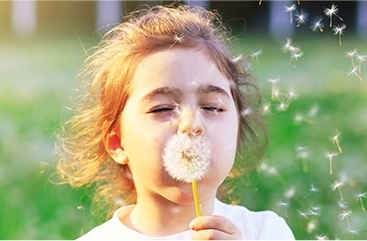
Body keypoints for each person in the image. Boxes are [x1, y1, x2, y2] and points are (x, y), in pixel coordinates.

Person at [55, 4, 295, 240]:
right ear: (118, 143)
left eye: (213, 107)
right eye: (162, 108)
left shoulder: (266, 232)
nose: (190, 123)